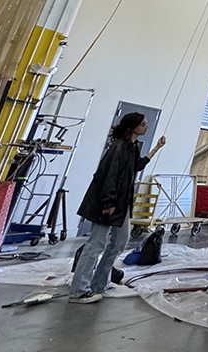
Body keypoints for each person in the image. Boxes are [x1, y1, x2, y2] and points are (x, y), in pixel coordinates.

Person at [70, 113, 165, 303]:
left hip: (121, 204)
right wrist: (108, 202)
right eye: (143, 124)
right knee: (96, 244)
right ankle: (79, 290)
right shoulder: (119, 147)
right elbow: (110, 176)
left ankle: (100, 283)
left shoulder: (132, 147)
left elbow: (137, 166)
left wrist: (157, 148)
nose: (146, 127)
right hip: (108, 203)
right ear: (133, 127)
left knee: (119, 242)